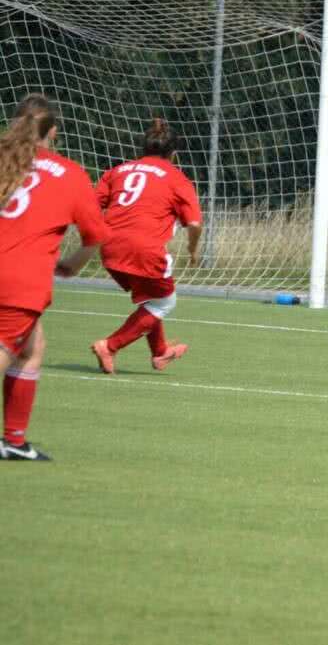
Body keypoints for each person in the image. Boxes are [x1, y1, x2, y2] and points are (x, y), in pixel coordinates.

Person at [0, 93, 111, 461]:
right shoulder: (70, 174)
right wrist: (74, 265)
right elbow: (95, 236)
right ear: (54, 133)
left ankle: (14, 441)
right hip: (16, 283)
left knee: (33, 348)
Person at [90, 118, 202, 374]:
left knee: (153, 299)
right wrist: (193, 250)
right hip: (144, 250)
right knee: (164, 303)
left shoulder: (118, 171)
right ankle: (110, 345)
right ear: (174, 154)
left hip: (109, 246)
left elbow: (91, 204)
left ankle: (160, 352)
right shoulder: (177, 179)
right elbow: (194, 224)